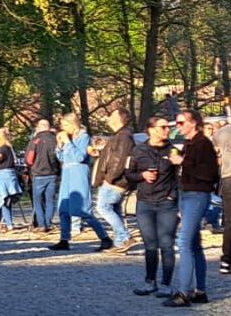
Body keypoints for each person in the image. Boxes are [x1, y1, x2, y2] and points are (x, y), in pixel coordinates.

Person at [164, 109, 219, 307]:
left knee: (184, 242)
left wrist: (183, 162)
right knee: (194, 244)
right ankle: (200, 290)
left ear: (193, 123)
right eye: (176, 123)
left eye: (181, 123)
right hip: (187, 194)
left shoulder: (203, 144)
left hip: (197, 195)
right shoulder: (189, 144)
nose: (178, 126)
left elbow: (210, 174)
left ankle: (184, 292)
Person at [125, 117, 180, 298]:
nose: (167, 130)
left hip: (166, 203)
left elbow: (181, 175)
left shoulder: (172, 149)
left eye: (167, 127)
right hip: (145, 203)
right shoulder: (138, 150)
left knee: (166, 244)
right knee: (150, 245)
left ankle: (166, 284)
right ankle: (150, 282)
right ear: (151, 129)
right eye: (163, 127)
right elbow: (128, 174)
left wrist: (174, 196)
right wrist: (142, 175)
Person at [49, 113, 113, 251]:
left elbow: (79, 157)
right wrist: (59, 146)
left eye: (66, 125)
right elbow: (61, 157)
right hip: (67, 172)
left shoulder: (83, 137)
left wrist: (67, 142)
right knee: (63, 208)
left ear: (73, 124)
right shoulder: (69, 138)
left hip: (78, 172)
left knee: (82, 209)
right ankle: (64, 239)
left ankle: (105, 238)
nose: (63, 128)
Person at [95, 105, 136, 252]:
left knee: (103, 207)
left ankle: (125, 237)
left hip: (115, 181)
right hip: (118, 179)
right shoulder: (121, 135)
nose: (108, 119)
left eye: (112, 116)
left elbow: (119, 160)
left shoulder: (123, 136)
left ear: (119, 118)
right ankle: (119, 242)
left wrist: (109, 178)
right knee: (114, 209)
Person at [26, 118, 60, 233]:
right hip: (52, 173)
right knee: (50, 200)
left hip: (38, 174)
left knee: (38, 200)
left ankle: (41, 224)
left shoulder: (35, 140)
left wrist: (32, 167)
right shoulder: (55, 139)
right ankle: (49, 222)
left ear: (39, 127)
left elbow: (29, 159)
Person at [0, 127, 21, 232]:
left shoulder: (3, 148)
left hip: (1, 177)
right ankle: (5, 223)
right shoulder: (7, 148)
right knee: (2, 200)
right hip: (6, 176)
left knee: (0, 200)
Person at [216, 118, 231, 277]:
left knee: (229, 222)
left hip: (228, 177)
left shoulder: (223, 132)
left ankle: (226, 260)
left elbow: (215, 152)